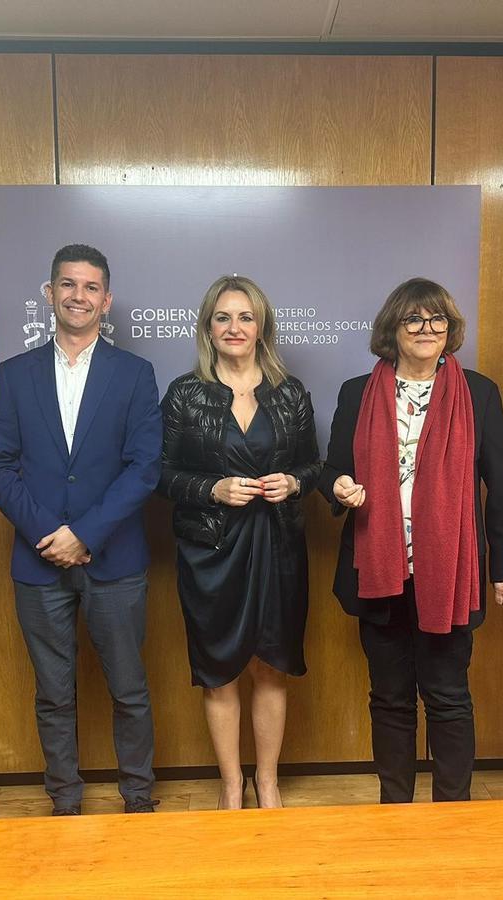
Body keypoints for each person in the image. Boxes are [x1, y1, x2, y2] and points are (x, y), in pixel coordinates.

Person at [318, 277, 503, 804]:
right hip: (379, 568)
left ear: (450, 329)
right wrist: (338, 486)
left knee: (448, 697)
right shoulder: (356, 393)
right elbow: (334, 470)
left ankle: (452, 811)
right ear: (394, 328)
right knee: (389, 698)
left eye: (438, 320)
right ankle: (396, 808)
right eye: (414, 319)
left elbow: (502, 483)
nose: (426, 329)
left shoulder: (478, 392)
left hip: (450, 573)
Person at [0, 243, 162, 816]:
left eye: (90, 287)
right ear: (49, 293)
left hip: (115, 559)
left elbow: (145, 467)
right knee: (53, 694)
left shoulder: (135, 374)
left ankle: (138, 796)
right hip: (38, 561)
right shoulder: (15, 375)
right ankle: (65, 800)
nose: (77, 296)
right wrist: (49, 533)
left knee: (129, 690)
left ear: (106, 300)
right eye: (67, 285)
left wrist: (85, 533)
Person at [158, 275, 320, 810]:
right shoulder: (185, 393)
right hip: (210, 550)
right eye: (224, 317)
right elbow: (158, 474)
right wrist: (211, 488)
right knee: (220, 670)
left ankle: (267, 782)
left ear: (261, 326)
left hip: (277, 547)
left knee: (271, 665)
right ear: (208, 326)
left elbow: (312, 466)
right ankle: (232, 786)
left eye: (245, 317)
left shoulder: (290, 391)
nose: (235, 327)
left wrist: (295, 482)